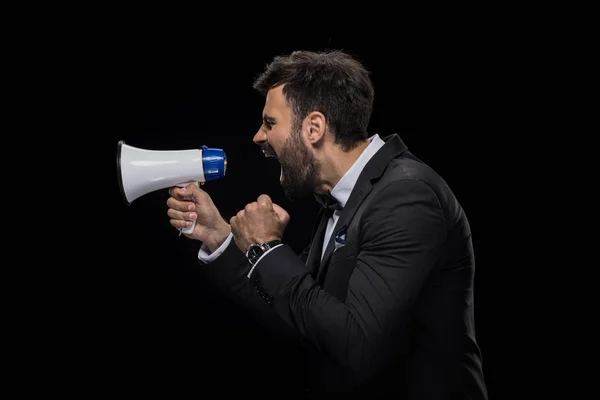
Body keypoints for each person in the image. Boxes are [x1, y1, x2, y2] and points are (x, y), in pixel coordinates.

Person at [166, 49, 488, 398]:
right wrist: (220, 237)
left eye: (270, 123)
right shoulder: (343, 199)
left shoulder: (406, 196)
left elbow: (355, 344)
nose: (259, 136)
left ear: (314, 127)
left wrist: (268, 248)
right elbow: (301, 316)